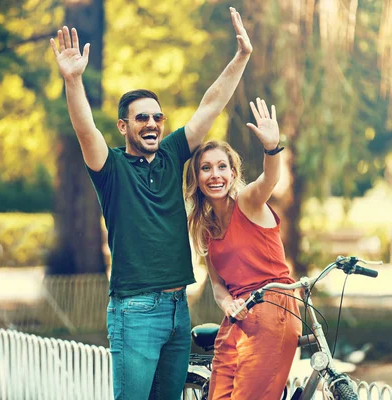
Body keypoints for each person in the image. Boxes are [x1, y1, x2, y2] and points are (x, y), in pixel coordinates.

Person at [49, 7, 252, 400]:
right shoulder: (110, 168)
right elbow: (83, 127)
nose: (153, 124)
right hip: (135, 311)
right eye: (142, 118)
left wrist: (240, 57)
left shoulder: (173, 155)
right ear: (124, 126)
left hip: (179, 308)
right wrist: (73, 80)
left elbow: (211, 104)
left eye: (157, 117)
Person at [185, 98, 302, 399]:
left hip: (273, 307)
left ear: (233, 174)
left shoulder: (248, 203)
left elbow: (270, 178)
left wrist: (272, 148)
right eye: (206, 168)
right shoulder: (207, 231)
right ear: (197, 179)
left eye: (222, 167)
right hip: (236, 318)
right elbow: (217, 285)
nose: (215, 175)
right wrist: (227, 305)